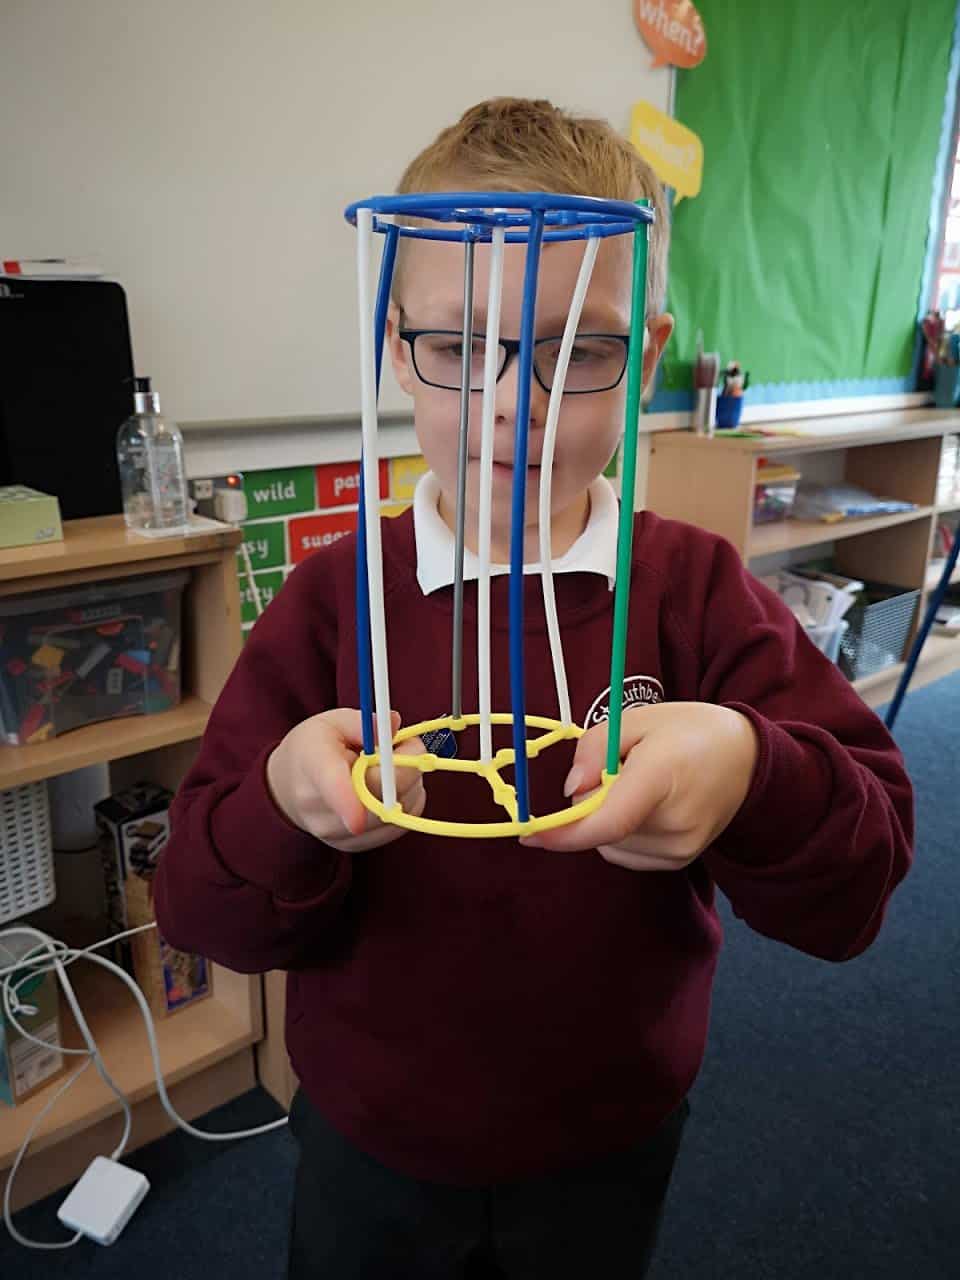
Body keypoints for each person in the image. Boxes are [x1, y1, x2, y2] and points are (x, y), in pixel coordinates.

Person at [154, 97, 914, 1279]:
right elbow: (201, 914)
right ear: (395, 340)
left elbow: (860, 884)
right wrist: (285, 806)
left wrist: (750, 770)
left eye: (582, 350)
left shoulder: (696, 591)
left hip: (608, 1131)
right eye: (460, 347)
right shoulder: (332, 600)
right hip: (372, 1133)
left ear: (645, 351)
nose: (518, 401)